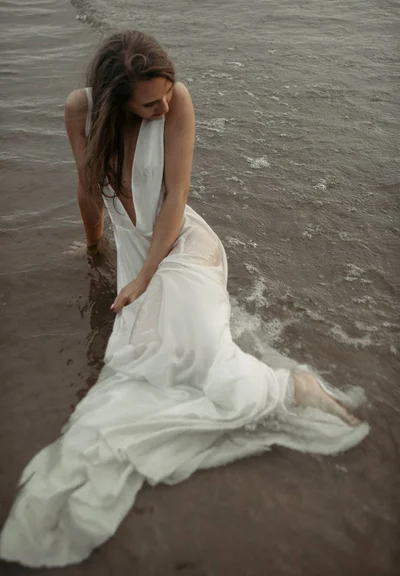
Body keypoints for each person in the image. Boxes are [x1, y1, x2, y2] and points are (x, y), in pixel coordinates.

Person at [0, 31, 369, 568]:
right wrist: (94, 250)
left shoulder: (179, 102)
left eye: (167, 93)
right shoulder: (79, 111)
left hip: (181, 246)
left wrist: (145, 277)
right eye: (150, 102)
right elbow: (87, 189)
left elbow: (175, 197)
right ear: (115, 99)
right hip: (135, 251)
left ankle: (293, 385)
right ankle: (278, 382)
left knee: (203, 362)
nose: (165, 104)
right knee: (139, 365)